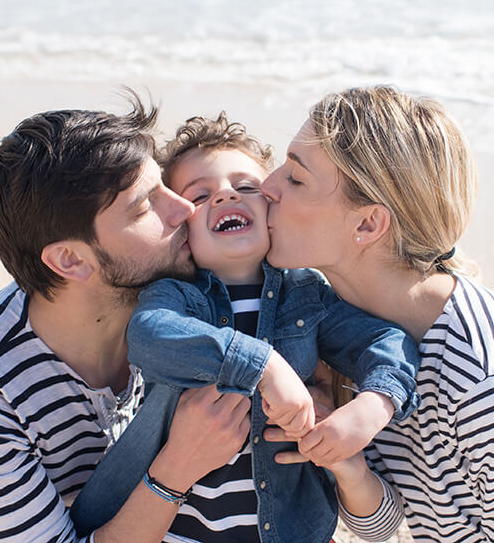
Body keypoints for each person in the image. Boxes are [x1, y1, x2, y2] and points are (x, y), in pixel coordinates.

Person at [0, 99, 254, 543]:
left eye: (164, 186)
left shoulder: (161, 297)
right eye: (144, 207)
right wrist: (178, 466)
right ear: (70, 259)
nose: (183, 210)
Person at [69, 113, 421, 543]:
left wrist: (374, 406)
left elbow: (385, 340)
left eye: (247, 187)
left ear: (272, 207)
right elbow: (148, 336)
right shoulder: (177, 299)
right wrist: (263, 365)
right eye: (199, 195)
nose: (224, 196)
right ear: (181, 228)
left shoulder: (306, 296)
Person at [260, 86, 494, 542]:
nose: (267, 185)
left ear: (367, 224)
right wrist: (345, 465)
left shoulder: (493, 391)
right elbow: (388, 526)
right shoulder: (341, 325)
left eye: (296, 179)